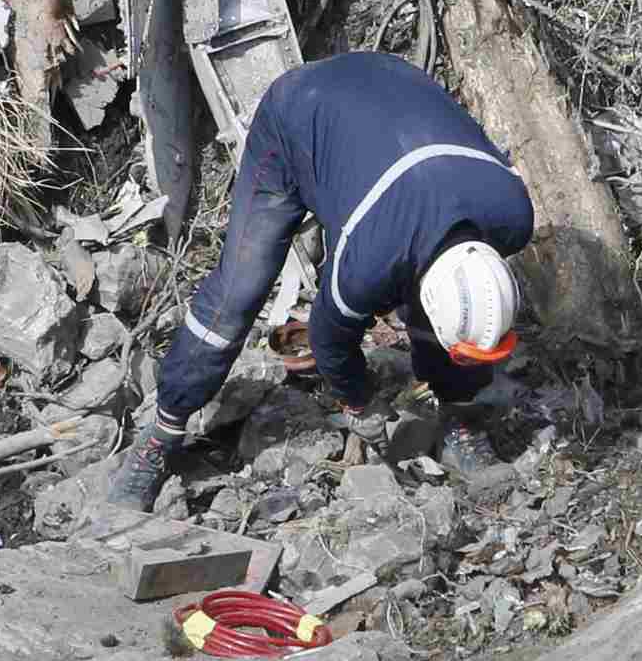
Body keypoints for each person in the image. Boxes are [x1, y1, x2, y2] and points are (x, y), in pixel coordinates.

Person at [107, 51, 535, 510]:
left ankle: (459, 419)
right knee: (239, 290)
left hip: (394, 91)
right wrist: (358, 402)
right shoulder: (371, 257)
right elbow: (329, 338)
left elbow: (458, 293)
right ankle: (161, 436)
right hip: (297, 117)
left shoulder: (512, 217)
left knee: (439, 298)